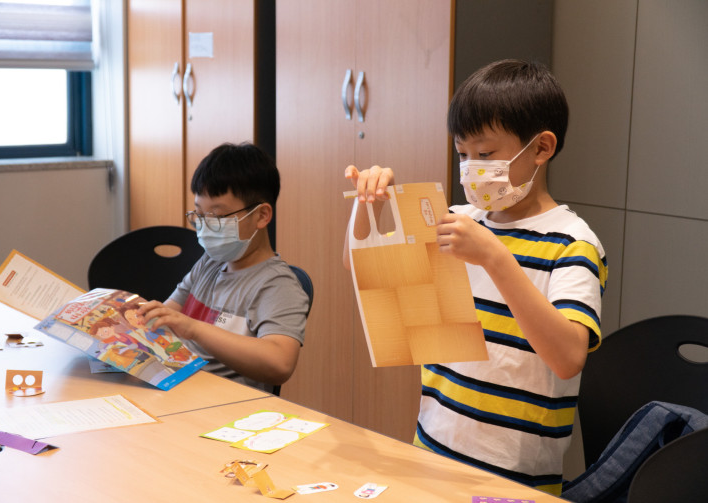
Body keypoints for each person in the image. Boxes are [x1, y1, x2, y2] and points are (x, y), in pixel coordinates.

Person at [343, 59, 607, 496]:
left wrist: (495, 258)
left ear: (541, 148)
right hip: (431, 450)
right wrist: (369, 204)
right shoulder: (456, 219)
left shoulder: (571, 244)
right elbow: (363, 269)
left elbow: (567, 358)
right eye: (462, 154)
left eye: (485, 155)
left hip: (515, 478)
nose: (470, 167)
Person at [138, 142, 309, 392]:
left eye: (217, 216)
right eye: (200, 214)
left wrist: (194, 329)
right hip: (178, 386)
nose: (205, 226)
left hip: (224, 402)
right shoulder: (210, 262)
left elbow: (280, 363)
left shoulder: (277, 285)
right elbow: (165, 318)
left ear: (261, 215)